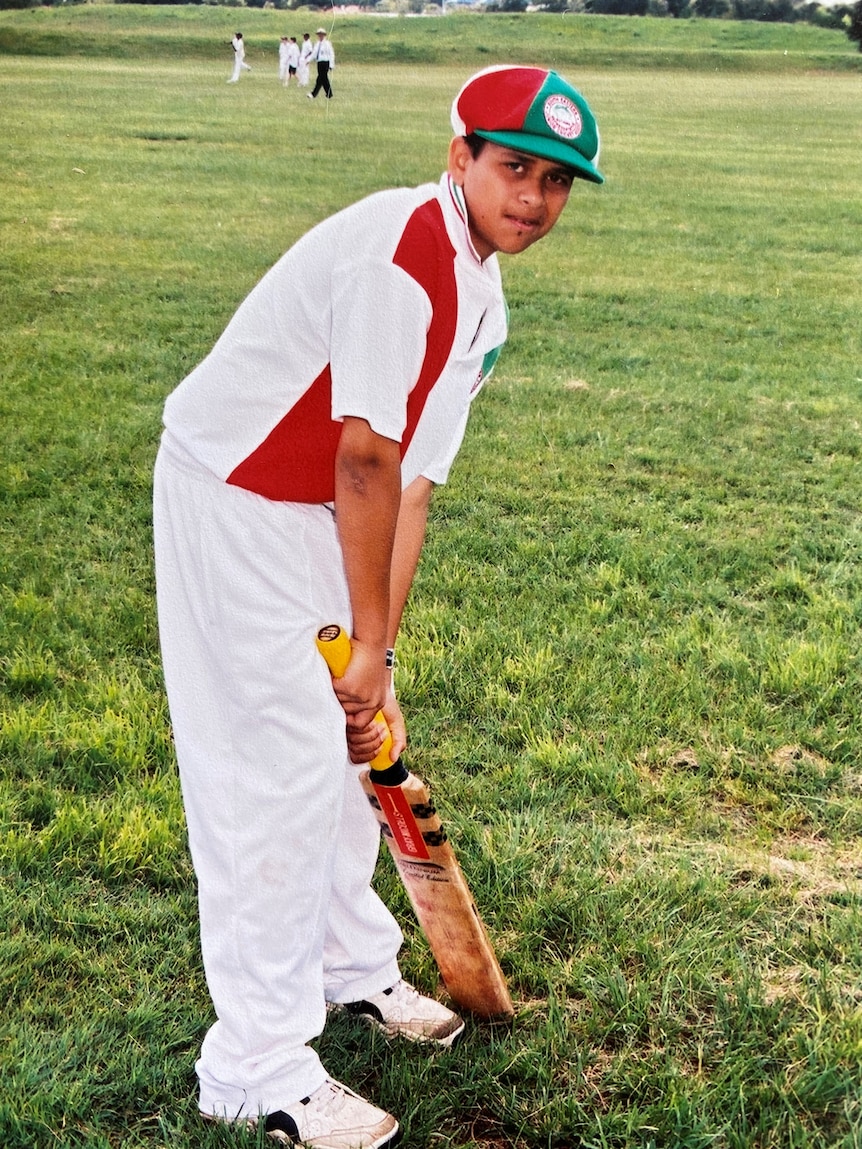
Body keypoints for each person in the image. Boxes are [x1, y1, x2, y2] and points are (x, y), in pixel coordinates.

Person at [153, 64, 603, 1149]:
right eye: (512, 168)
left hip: (319, 506)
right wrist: (358, 642)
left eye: (555, 182)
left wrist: (378, 658)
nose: (533, 198)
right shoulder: (405, 256)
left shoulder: (482, 294)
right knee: (272, 775)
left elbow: (410, 488)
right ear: (459, 157)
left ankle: (351, 967)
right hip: (237, 496)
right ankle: (253, 1064)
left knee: (356, 749)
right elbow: (363, 454)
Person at [307, 27, 335, 100]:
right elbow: (314, 53)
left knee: (323, 78)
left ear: (324, 35)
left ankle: (314, 94)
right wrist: (308, 60)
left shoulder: (327, 44)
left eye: (321, 34)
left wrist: (331, 64)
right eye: (319, 34)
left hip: (325, 62)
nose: (320, 36)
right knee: (321, 79)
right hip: (319, 62)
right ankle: (328, 94)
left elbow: (331, 54)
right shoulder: (317, 44)